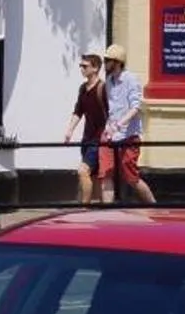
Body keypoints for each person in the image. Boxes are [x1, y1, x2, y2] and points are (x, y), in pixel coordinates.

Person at [101, 42, 158, 206]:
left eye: (108, 60)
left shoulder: (130, 79)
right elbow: (111, 107)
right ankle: (107, 213)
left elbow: (135, 107)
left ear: (118, 62)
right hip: (110, 132)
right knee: (106, 172)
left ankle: (155, 205)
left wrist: (120, 124)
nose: (105, 64)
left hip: (128, 134)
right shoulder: (109, 82)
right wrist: (110, 127)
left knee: (131, 176)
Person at [63, 49, 108, 205]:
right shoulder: (83, 88)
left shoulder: (103, 89)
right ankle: (102, 210)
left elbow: (112, 113)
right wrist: (69, 131)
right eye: (81, 66)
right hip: (87, 138)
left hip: (99, 138)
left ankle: (84, 208)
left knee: (83, 171)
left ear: (95, 68)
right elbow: (78, 111)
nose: (82, 69)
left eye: (85, 66)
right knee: (93, 176)